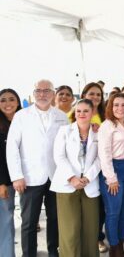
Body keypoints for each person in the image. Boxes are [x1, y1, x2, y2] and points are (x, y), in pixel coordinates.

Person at [7, 79, 69, 257]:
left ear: (53, 93)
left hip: (55, 176)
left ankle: (53, 252)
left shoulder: (61, 116)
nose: (42, 94)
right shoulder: (22, 115)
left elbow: (67, 146)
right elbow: (12, 147)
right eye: (38, 91)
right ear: (33, 93)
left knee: (55, 219)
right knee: (29, 222)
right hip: (29, 177)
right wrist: (17, 176)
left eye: (46, 91)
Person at [51, 99, 101, 257]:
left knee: (90, 230)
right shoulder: (64, 131)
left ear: (92, 112)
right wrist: (72, 178)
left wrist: (87, 178)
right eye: (78, 111)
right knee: (69, 230)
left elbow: (101, 159)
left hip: (90, 185)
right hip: (67, 185)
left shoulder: (98, 132)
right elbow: (59, 156)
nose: (81, 114)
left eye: (86, 110)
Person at [98, 93, 124, 257]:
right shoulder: (107, 126)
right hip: (113, 170)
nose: (120, 108)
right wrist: (111, 178)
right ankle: (114, 248)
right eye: (116, 105)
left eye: (123, 105)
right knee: (114, 211)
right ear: (110, 107)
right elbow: (104, 153)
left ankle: (120, 243)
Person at [78, 82, 108, 253]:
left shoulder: (106, 116)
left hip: (102, 169)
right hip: (81, 170)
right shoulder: (74, 115)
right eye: (91, 94)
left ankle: (98, 238)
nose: (95, 97)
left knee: (100, 206)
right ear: (84, 94)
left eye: (98, 94)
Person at [0, 89, 22, 257]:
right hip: (5, 180)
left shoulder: (25, 120)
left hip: (26, 178)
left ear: (18, 101)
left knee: (28, 220)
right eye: (3, 100)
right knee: (6, 221)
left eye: (11, 99)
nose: (8, 103)